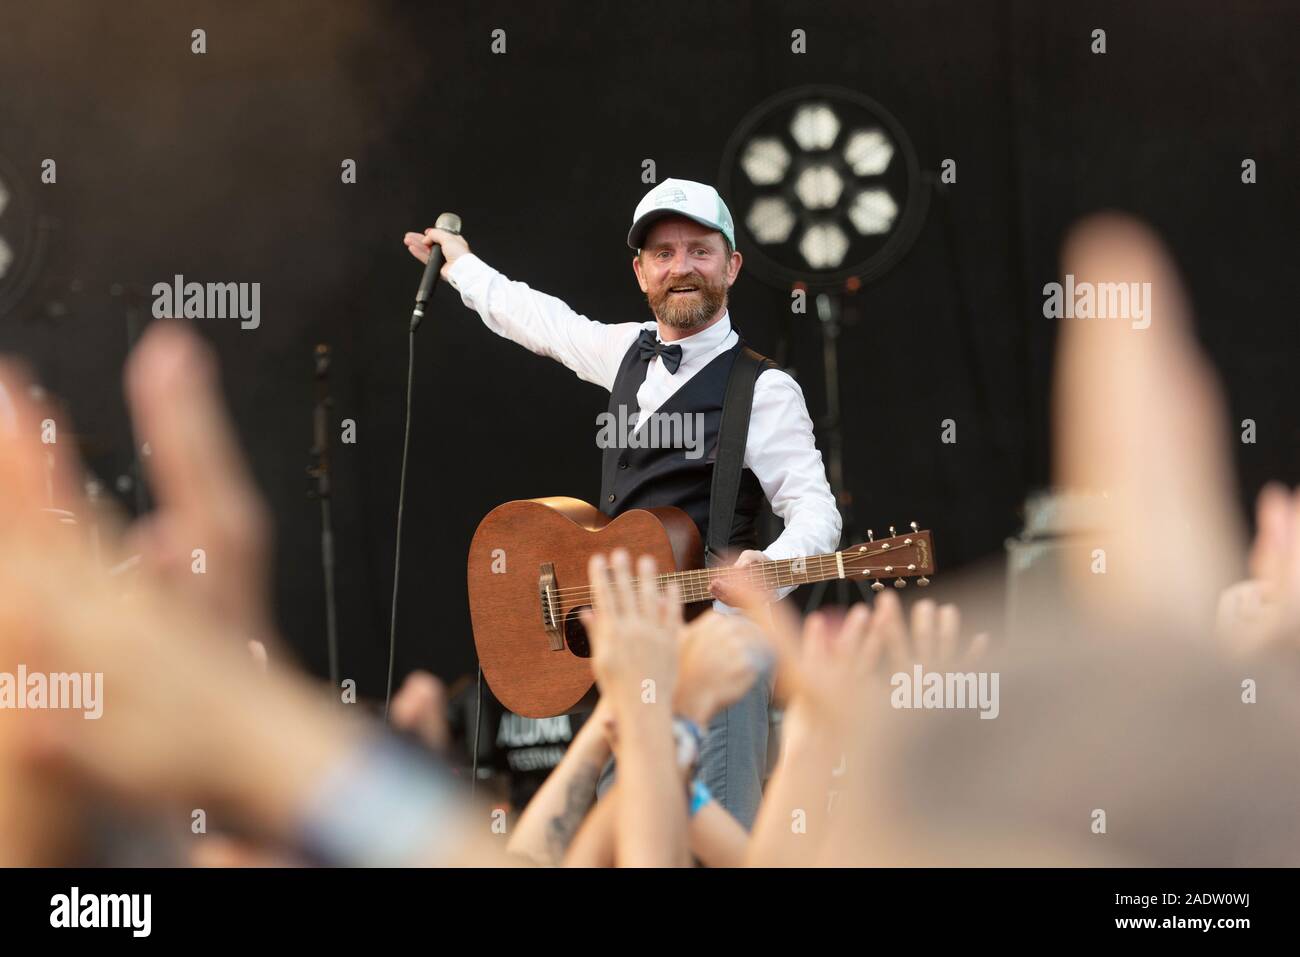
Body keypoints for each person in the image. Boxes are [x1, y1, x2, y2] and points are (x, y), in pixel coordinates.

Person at [404, 178, 841, 826]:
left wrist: (768, 569)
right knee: (625, 836)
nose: (681, 267)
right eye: (664, 253)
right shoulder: (628, 352)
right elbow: (542, 321)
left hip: (717, 655)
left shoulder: (765, 389)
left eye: (700, 250)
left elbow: (817, 511)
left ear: (732, 265)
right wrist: (461, 263)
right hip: (633, 663)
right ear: (641, 272)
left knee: (704, 840)